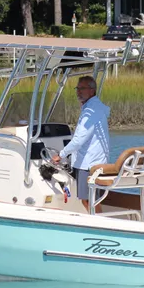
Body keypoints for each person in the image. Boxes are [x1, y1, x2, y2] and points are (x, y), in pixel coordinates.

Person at [52, 76, 110, 205]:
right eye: (77, 88)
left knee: (88, 200)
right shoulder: (97, 107)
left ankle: (95, 223)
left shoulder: (90, 112)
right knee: (92, 199)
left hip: (88, 164)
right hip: (97, 161)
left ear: (92, 90)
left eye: (82, 88)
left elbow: (78, 140)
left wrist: (60, 155)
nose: (78, 91)